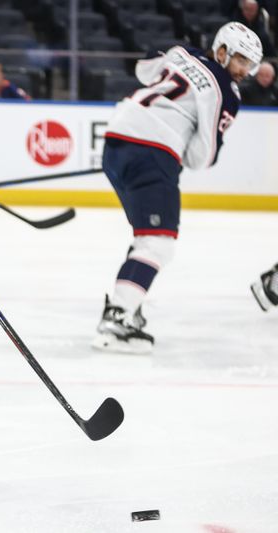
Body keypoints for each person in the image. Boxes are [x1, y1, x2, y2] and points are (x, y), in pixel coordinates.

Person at [92, 22, 263, 354]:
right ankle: (117, 319)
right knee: (158, 243)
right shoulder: (226, 90)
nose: (244, 71)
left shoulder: (183, 53)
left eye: (251, 65)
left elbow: (144, 71)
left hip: (116, 141)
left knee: (146, 237)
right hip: (153, 151)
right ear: (223, 51)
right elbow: (203, 156)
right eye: (241, 60)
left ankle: (128, 302)